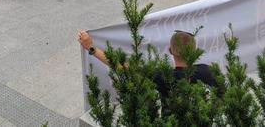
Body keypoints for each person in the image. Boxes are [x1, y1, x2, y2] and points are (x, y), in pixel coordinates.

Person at [77, 29, 217, 99]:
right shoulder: (208, 71)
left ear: (170, 50)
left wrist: (91, 47)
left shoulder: (161, 76)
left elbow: (122, 67)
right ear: (196, 51)